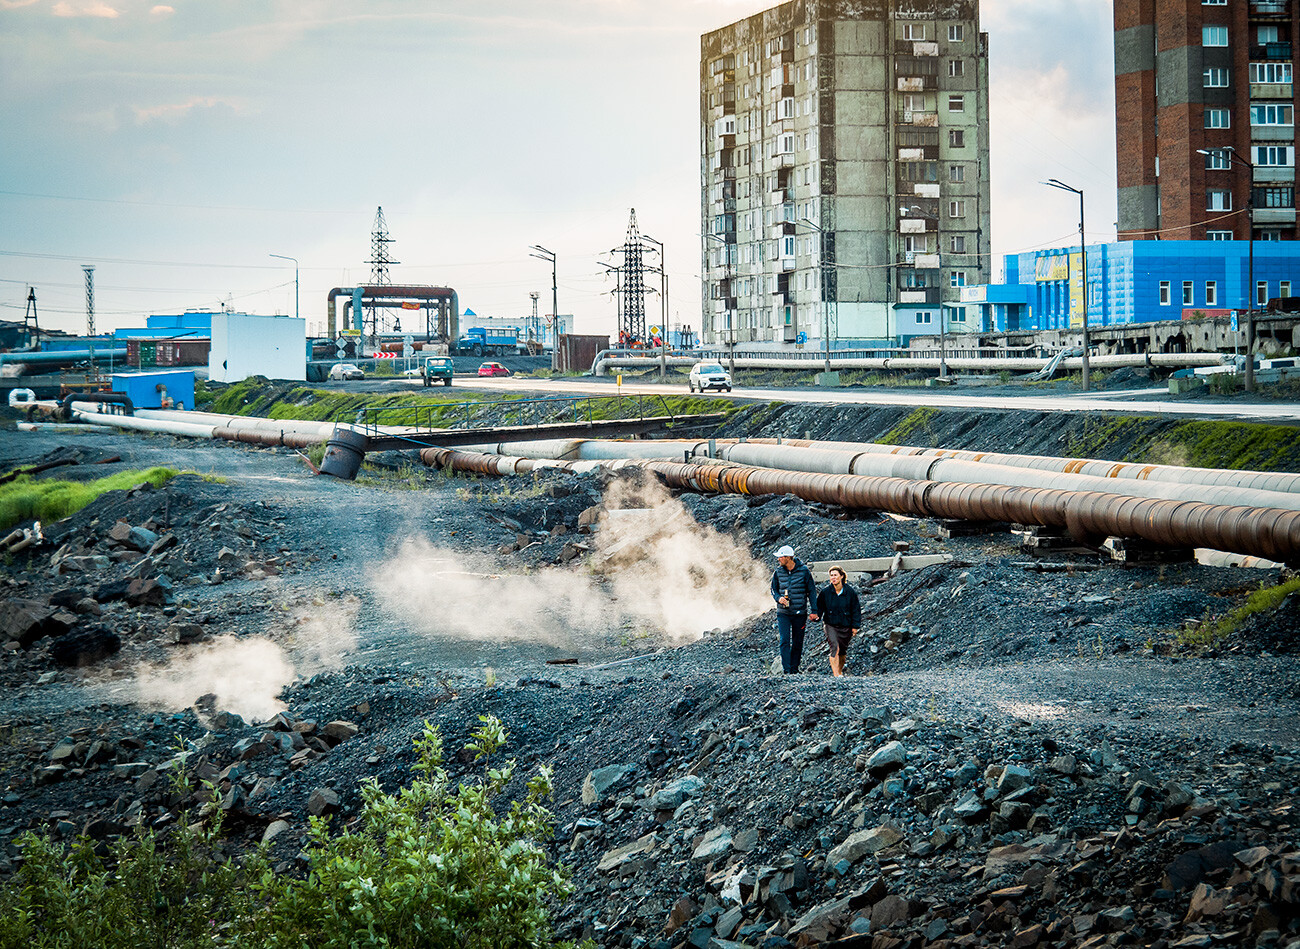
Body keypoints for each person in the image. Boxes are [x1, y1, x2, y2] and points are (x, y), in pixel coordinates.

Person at [770, 545, 816, 674]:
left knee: (797, 641)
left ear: (788, 557)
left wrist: (814, 610)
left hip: (799, 612)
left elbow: (811, 591)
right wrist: (778, 598)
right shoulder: (778, 572)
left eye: (780, 556)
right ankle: (787, 670)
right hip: (783, 613)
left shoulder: (804, 571)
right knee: (784, 640)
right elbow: (773, 589)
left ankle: (794, 669)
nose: (778, 559)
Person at [814, 566, 861, 677]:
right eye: (831, 575)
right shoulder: (825, 592)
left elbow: (856, 609)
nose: (833, 578)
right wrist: (816, 617)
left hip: (846, 625)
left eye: (835, 575)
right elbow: (819, 608)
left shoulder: (850, 592)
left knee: (843, 651)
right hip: (830, 624)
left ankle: (839, 672)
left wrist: (855, 626)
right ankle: (836, 675)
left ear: (841, 576)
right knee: (835, 647)